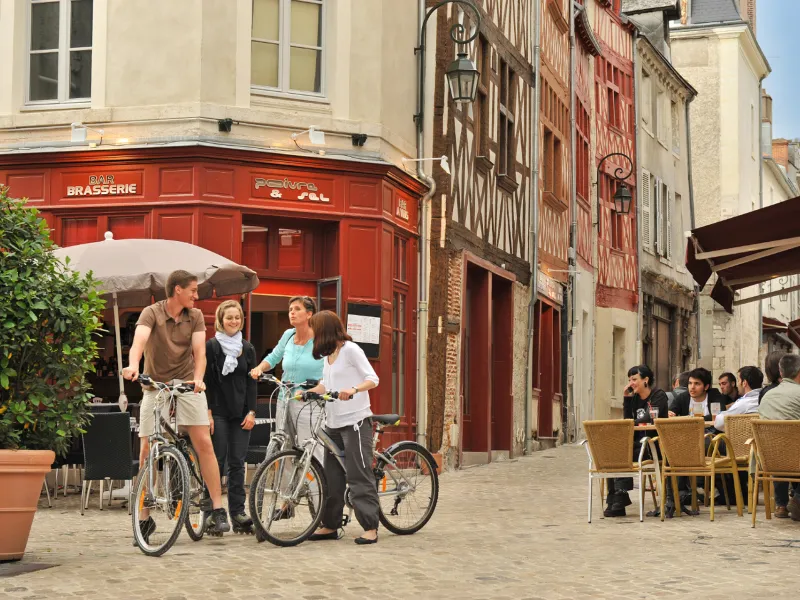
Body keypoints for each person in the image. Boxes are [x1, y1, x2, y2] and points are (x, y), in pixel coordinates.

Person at [122, 270, 230, 539]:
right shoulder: (151, 312)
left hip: (187, 383)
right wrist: (133, 366)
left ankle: (218, 509)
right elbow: (138, 343)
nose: (196, 295)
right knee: (147, 447)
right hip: (155, 385)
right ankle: (144, 515)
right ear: (177, 290)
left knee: (203, 442)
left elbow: (200, 353)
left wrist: (198, 379)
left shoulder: (195, 316)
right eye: (193, 290)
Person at [304, 310, 380, 544]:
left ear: (324, 329)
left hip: (355, 421)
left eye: (314, 328)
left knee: (358, 474)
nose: (311, 332)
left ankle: (370, 527)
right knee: (332, 477)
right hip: (333, 423)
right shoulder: (329, 355)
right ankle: (330, 525)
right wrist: (308, 392)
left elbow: (373, 379)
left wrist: (353, 390)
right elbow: (327, 385)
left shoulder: (351, 350)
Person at [249, 296, 324, 461]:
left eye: (297, 309)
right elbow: (274, 356)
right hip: (285, 398)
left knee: (309, 446)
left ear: (309, 314)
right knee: (284, 445)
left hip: (308, 401)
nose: (292, 313)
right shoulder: (288, 335)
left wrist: (319, 386)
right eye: (290, 310)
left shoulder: (321, 339)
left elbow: (330, 368)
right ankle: (285, 479)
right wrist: (259, 368)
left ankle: (314, 478)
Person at [205, 300, 258, 534]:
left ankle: (238, 513)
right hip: (217, 412)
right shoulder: (212, 346)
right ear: (221, 320)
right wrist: (207, 412)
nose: (234, 321)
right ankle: (211, 514)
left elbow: (251, 382)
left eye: (237, 317)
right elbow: (206, 380)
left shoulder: (247, 348)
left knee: (237, 463)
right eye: (229, 318)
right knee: (215, 462)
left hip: (241, 414)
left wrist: (252, 411)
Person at [605, 365, 669, 518]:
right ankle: (617, 498)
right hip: (637, 444)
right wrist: (627, 399)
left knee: (622, 453)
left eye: (634, 379)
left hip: (654, 444)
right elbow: (628, 420)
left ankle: (619, 497)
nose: (631, 383)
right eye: (629, 380)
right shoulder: (634, 398)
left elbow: (649, 418)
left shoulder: (658, 395)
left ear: (646, 379)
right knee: (613, 453)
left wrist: (631, 423)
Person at [760, 354, 800, 519]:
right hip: (796, 457)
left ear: (781, 373)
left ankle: (781, 505)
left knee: (778, 445)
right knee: (789, 446)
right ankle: (798, 499)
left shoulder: (767, 396)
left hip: (770, 459)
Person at [712, 366, 763, 431]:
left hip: (741, 437)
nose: (737, 384)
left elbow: (718, 423)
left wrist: (721, 413)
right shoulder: (765, 399)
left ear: (744, 383)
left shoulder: (744, 403)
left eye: (738, 380)